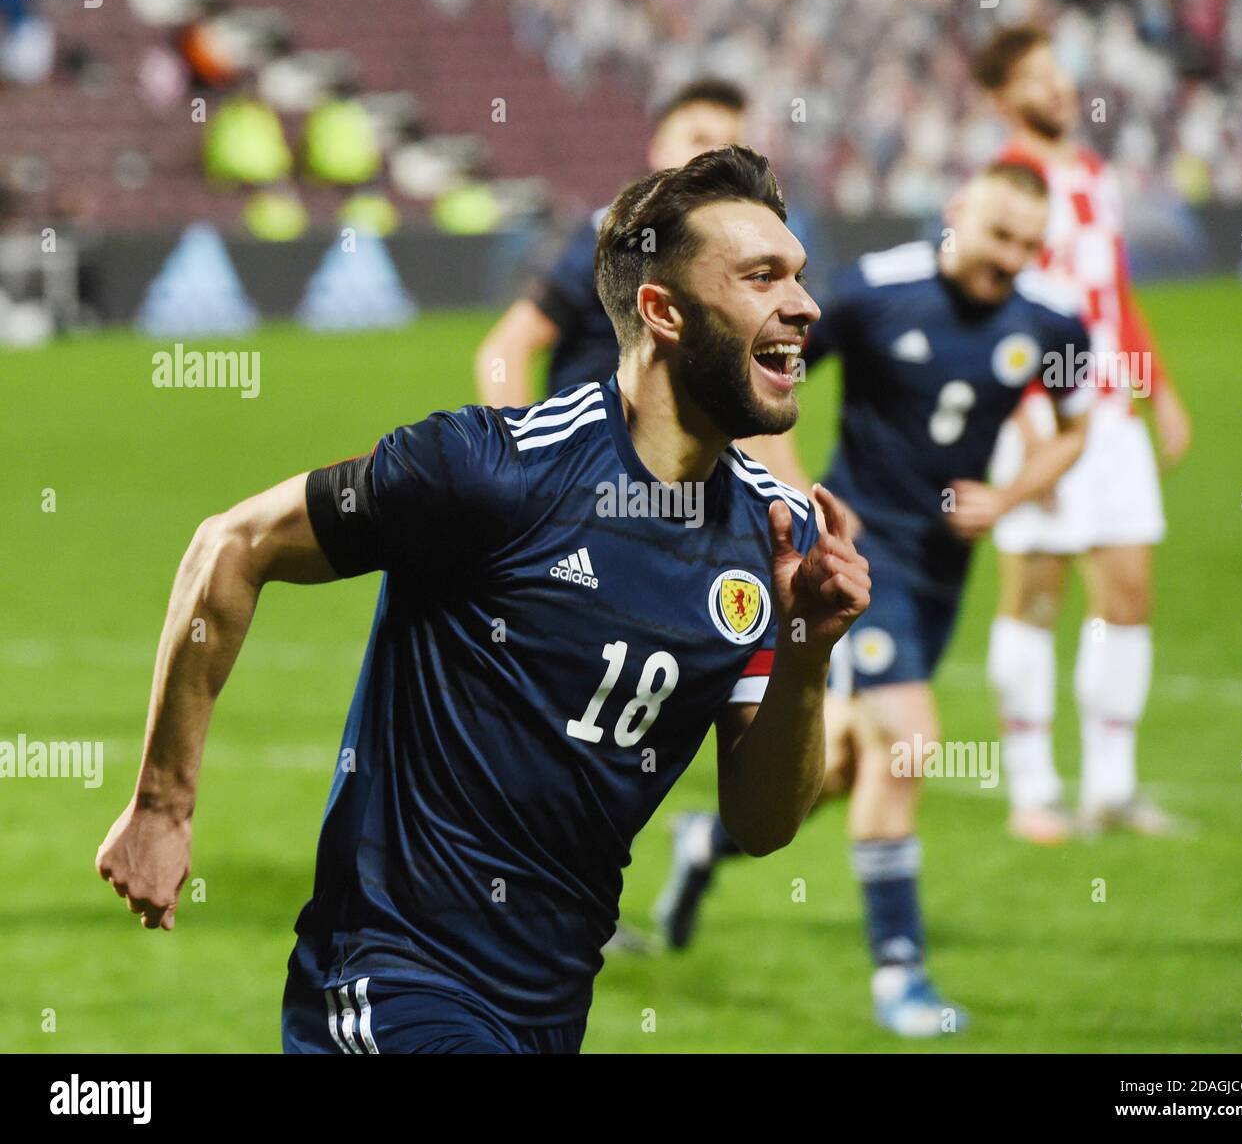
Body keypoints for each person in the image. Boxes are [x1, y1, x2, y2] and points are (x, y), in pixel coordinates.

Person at [95, 145, 871, 1054]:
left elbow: (764, 820)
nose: (805, 304)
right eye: (761, 276)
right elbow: (232, 545)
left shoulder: (771, 539)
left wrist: (807, 648)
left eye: (800, 276)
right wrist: (162, 804)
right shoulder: (493, 472)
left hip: (548, 1010)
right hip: (390, 974)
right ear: (662, 311)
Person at [655, 163, 1094, 1038]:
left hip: (940, 573)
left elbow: (1080, 423)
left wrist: (1008, 500)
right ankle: (901, 973)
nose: (1009, 257)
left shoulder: (1050, 320)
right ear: (955, 213)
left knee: (857, 765)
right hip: (860, 554)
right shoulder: (874, 292)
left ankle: (707, 840)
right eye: (996, 234)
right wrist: (796, 499)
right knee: (913, 742)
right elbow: (765, 372)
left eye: (1026, 242)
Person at [974, 25, 1192, 842]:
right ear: (1003, 100)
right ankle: (1033, 789)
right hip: (1038, 417)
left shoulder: (1093, 175)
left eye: (1058, 70)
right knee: (1033, 596)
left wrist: (1157, 387)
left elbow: (1115, 297)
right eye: (1036, 78)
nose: (1058, 87)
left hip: (1110, 416)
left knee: (1129, 593)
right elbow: (998, 303)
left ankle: (1111, 787)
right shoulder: (1003, 184)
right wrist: (1030, 422)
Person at [474, 78, 748, 407]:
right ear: (658, 151)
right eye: (698, 140)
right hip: (592, 452)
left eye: (729, 146)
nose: (713, 157)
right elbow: (506, 350)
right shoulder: (614, 237)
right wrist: (517, 455)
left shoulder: (741, 252)